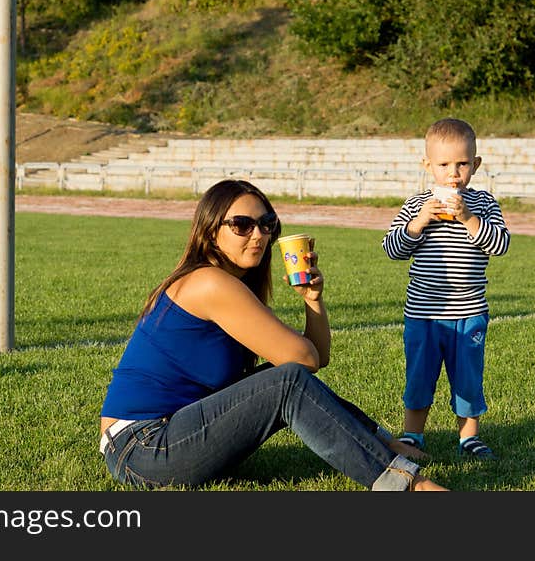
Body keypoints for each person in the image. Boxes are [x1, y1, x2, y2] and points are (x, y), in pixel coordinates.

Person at [100, 178, 447, 491]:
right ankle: (407, 485)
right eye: (242, 225)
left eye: (268, 224)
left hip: (169, 434)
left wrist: (313, 300)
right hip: (143, 446)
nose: (259, 235)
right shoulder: (209, 283)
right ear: (209, 232)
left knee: (284, 378)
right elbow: (303, 361)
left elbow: (317, 359)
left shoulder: (229, 283)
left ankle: (385, 444)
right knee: (286, 382)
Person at [382, 118, 510, 459]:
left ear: (476, 165)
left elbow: (500, 245)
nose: (453, 173)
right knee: (419, 376)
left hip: (468, 314)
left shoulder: (483, 205)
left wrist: (469, 217)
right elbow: (392, 249)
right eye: (443, 165)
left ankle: (469, 437)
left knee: (468, 377)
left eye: (462, 164)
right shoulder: (415, 206)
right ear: (427, 166)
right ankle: (413, 435)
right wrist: (420, 221)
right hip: (423, 316)